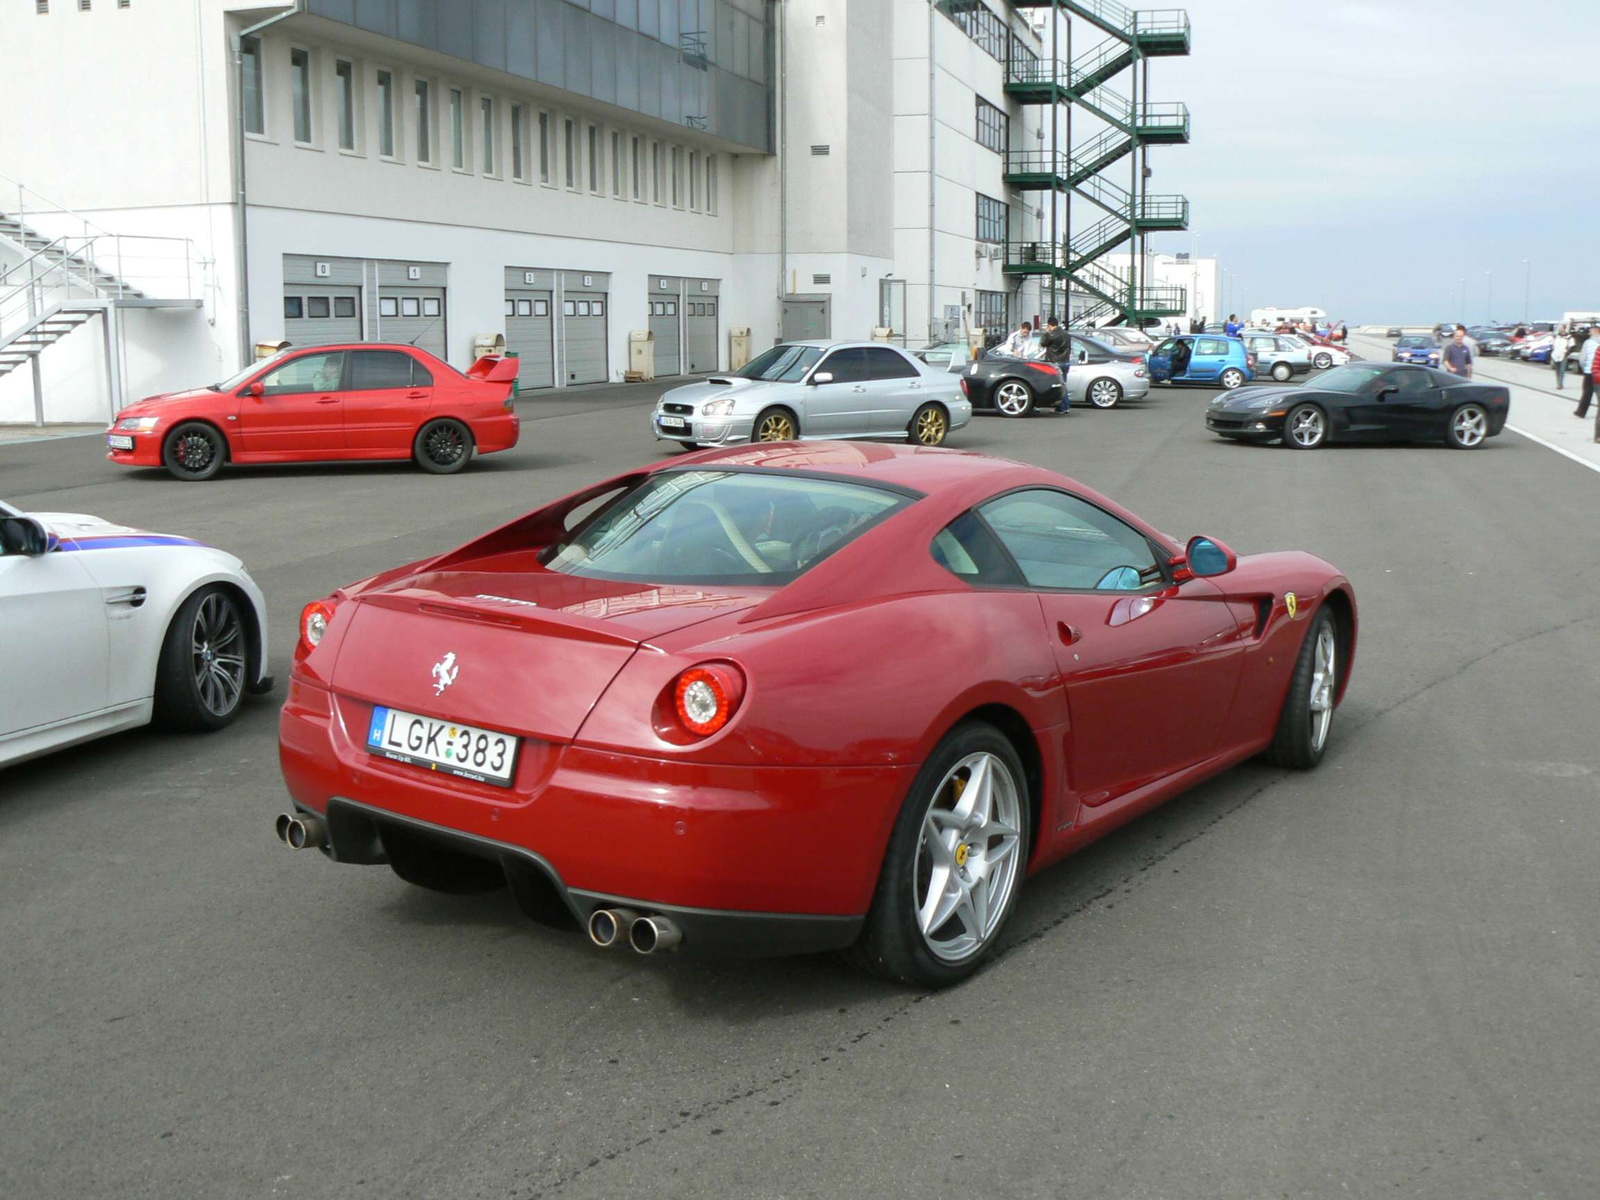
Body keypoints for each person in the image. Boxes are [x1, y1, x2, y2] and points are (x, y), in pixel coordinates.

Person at [1037, 317, 1072, 413]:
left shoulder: (1051, 334)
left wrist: (1046, 333)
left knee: (1058, 386)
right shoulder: (1066, 334)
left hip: (1056, 362)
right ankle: (1065, 407)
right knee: (1063, 384)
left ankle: (1062, 407)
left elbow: (1043, 343)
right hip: (1065, 361)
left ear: (1050, 325)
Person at [1578, 325, 1600, 419]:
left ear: (1594, 332)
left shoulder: (1588, 342)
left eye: (1590, 331)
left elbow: (1582, 358)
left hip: (1589, 371)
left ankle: (1581, 412)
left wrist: (1584, 368)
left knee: (1587, 393)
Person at [1551, 326, 1572, 390]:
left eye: (1562, 328)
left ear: (1564, 329)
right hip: (1556, 355)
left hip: (1563, 355)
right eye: (1559, 329)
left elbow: (1570, 346)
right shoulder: (1556, 337)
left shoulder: (1568, 337)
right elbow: (1553, 345)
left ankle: (1560, 384)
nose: (1560, 330)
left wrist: (1566, 353)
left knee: (1562, 370)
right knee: (1557, 370)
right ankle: (1558, 383)